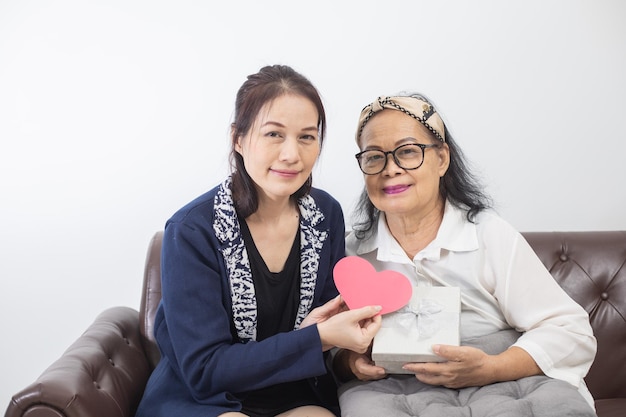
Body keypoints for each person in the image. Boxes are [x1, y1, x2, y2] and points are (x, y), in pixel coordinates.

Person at [135, 65, 382, 417]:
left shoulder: (325, 214)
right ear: (238, 138)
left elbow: (330, 321)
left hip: (291, 390)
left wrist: (349, 353)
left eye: (307, 137)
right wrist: (319, 337)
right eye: (273, 135)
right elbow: (205, 370)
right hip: (204, 397)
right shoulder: (192, 231)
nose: (291, 155)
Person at [333, 94, 598, 416]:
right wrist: (351, 362)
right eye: (374, 157)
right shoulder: (351, 254)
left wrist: (493, 367)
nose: (390, 169)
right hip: (397, 391)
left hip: (501, 385)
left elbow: (570, 331)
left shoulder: (488, 234)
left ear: (442, 158)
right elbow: (330, 346)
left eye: (407, 152)